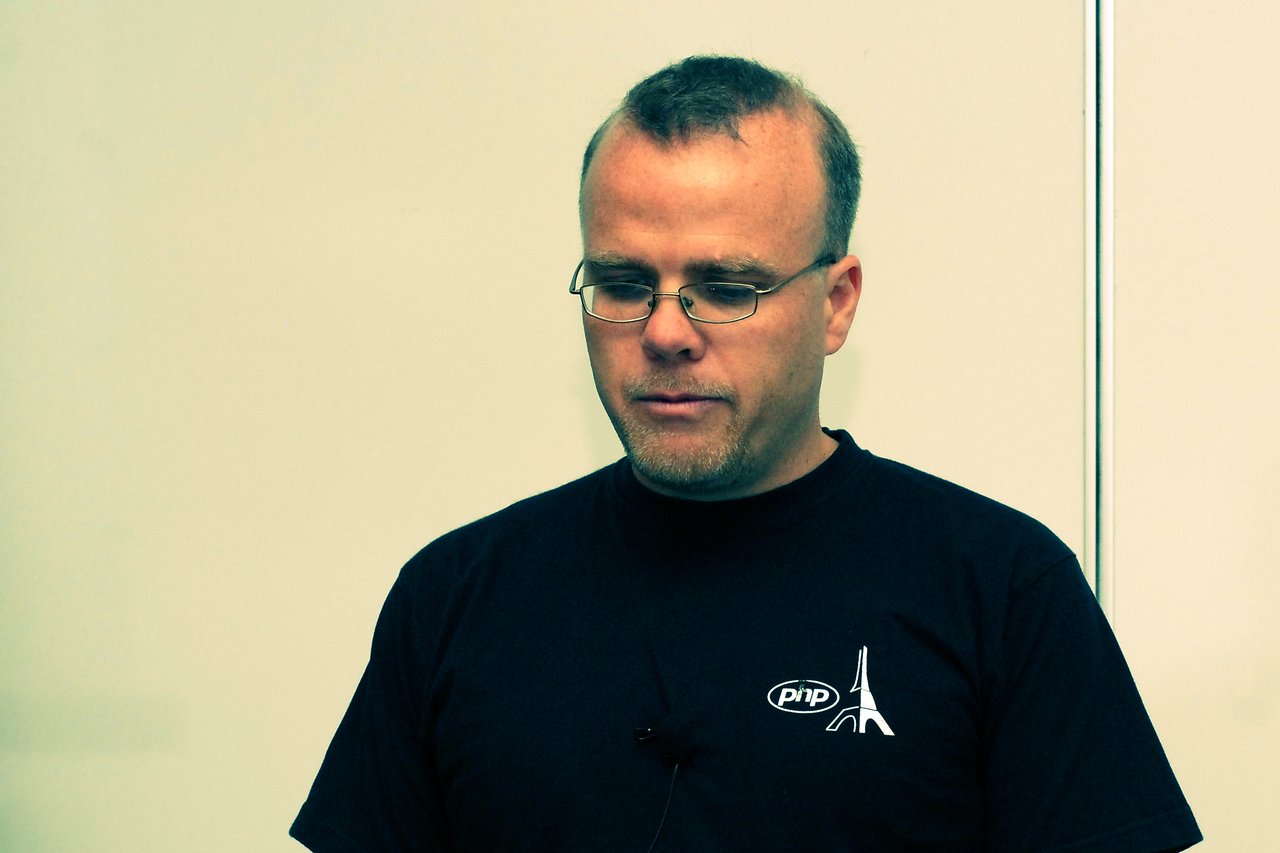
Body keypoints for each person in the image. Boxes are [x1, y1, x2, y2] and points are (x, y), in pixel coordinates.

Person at [291, 56, 1201, 851]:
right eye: (622, 282)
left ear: (836, 302)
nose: (664, 332)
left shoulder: (1000, 588)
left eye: (725, 287)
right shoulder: (454, 595)